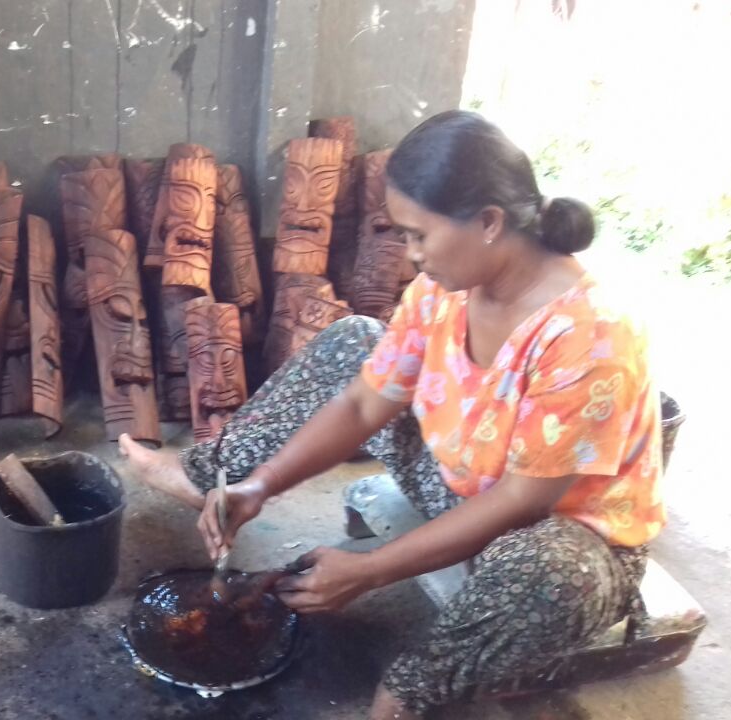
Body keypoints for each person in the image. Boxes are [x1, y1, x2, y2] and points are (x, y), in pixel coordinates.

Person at [119, 110, 663, 719]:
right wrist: (263, 485)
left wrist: (370, 571)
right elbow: (362, 402)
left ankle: (412, 690)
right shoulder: (441, 292)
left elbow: (521, 502)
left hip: (555, 537)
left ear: (488, 222)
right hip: (459, 485)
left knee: (551, 576)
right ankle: (215, 479)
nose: (410, 256)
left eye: (418, 236)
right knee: (355, 341)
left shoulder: (590, 336)